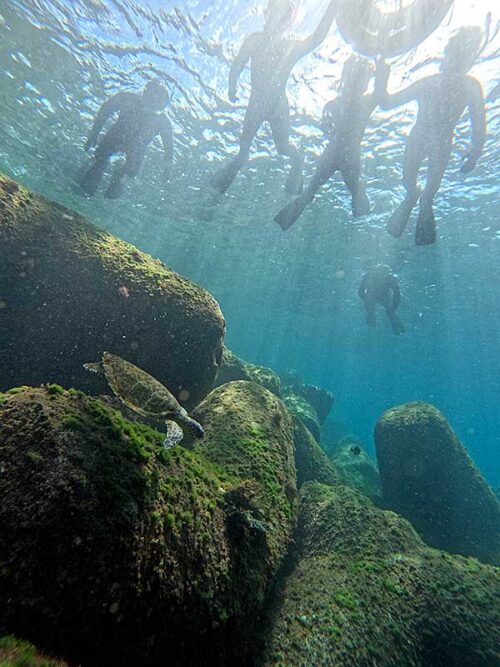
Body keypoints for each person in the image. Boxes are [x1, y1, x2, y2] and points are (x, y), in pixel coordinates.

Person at [210, 0, 339, 196]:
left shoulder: (291, 46)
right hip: (256, 104)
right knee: (243, 151)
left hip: (278, 105)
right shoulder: (254, 40)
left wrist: (332, 8)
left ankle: (298, 161)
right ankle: (217, 188)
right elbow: (237, 64)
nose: (277, 18)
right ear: (267, 13)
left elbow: (317, 37)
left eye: (283, 14)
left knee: (283, 148)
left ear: (290, 20)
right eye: (274, 12)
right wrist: (232, 86)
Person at [377, 27, 486, 245]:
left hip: (440, 143)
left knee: (429, 192)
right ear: (448, 54)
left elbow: (479, 124)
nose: (457, 60)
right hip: (423, 139)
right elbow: (387, 103)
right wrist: (381, 78)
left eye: (464, 55)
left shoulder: (470, 86)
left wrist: (475, 152)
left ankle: (421, 199)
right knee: (409, 182)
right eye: (456, 53)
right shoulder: (431, 82)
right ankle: (413, 196)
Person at [274, 54, 381, 231]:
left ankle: (362, 224)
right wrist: (380, 63)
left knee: (312, 190)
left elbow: (325, 128)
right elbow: (379, 92)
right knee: (356, 192)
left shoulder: (334, 104)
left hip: (332, 153)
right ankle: (364, 226)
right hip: (350, 154)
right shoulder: (364, 103)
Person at [78, 80, 173, 199]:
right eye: (150, 100)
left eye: (155, 105)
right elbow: (105, 110)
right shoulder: (128, 99)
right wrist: (94, 133)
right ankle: (89, 191)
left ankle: (108, 188)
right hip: (119, 137)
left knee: (126, 172)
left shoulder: (162, 120)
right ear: (144, 93)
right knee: (101, 162)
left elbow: (169, 148)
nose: (148, 109)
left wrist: (94, 133)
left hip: (133, 145)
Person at [358, 265, 405, 335]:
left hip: (380, 295)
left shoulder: (389, 278)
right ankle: (372, 327)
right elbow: (397, 295)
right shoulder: (369, 276)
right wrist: (393, 307)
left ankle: (398, 329)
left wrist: (393, 307)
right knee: (386, 312)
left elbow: (361, 291)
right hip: (378, 295)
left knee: (387, 312)